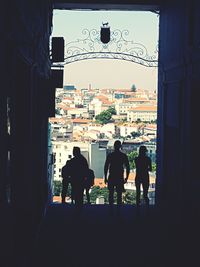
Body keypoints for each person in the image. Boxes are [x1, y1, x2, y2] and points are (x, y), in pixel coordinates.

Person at [104, 140, 130, 206]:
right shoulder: (123, 156)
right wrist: (126, 177)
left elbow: (106, 166)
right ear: (120, 146)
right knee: (119, 194)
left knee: (111, 193)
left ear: (114, 146)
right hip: (119, 176)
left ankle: (111, 208)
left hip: (112, 176)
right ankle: (118, 209)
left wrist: (105, 177)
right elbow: (128, 167)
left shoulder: (110, 155)